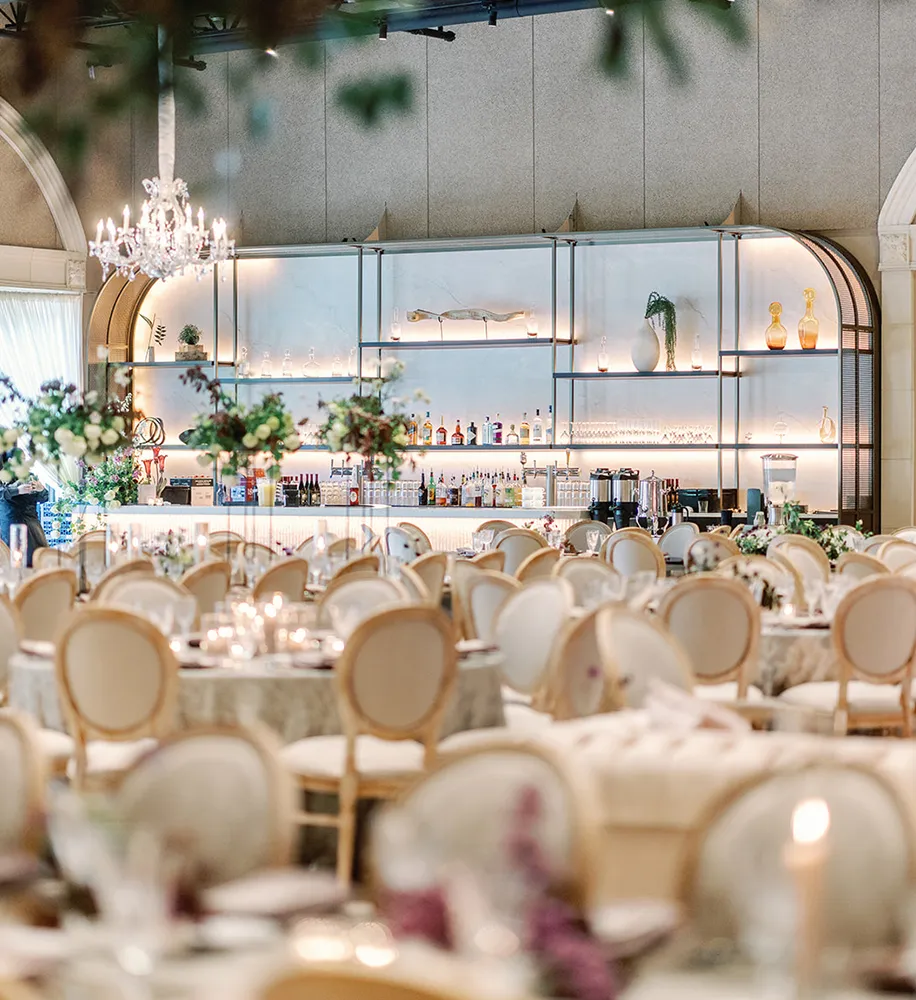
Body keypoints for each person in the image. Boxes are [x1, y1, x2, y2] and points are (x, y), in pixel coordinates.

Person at [0, 459, 49, 567]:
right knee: (10, 563)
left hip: (32, 525)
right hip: (9, 525)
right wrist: (17, 490)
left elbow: (44, 498)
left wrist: (41, 490)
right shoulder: (3, 477)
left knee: (36, 560)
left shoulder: (29, 476)